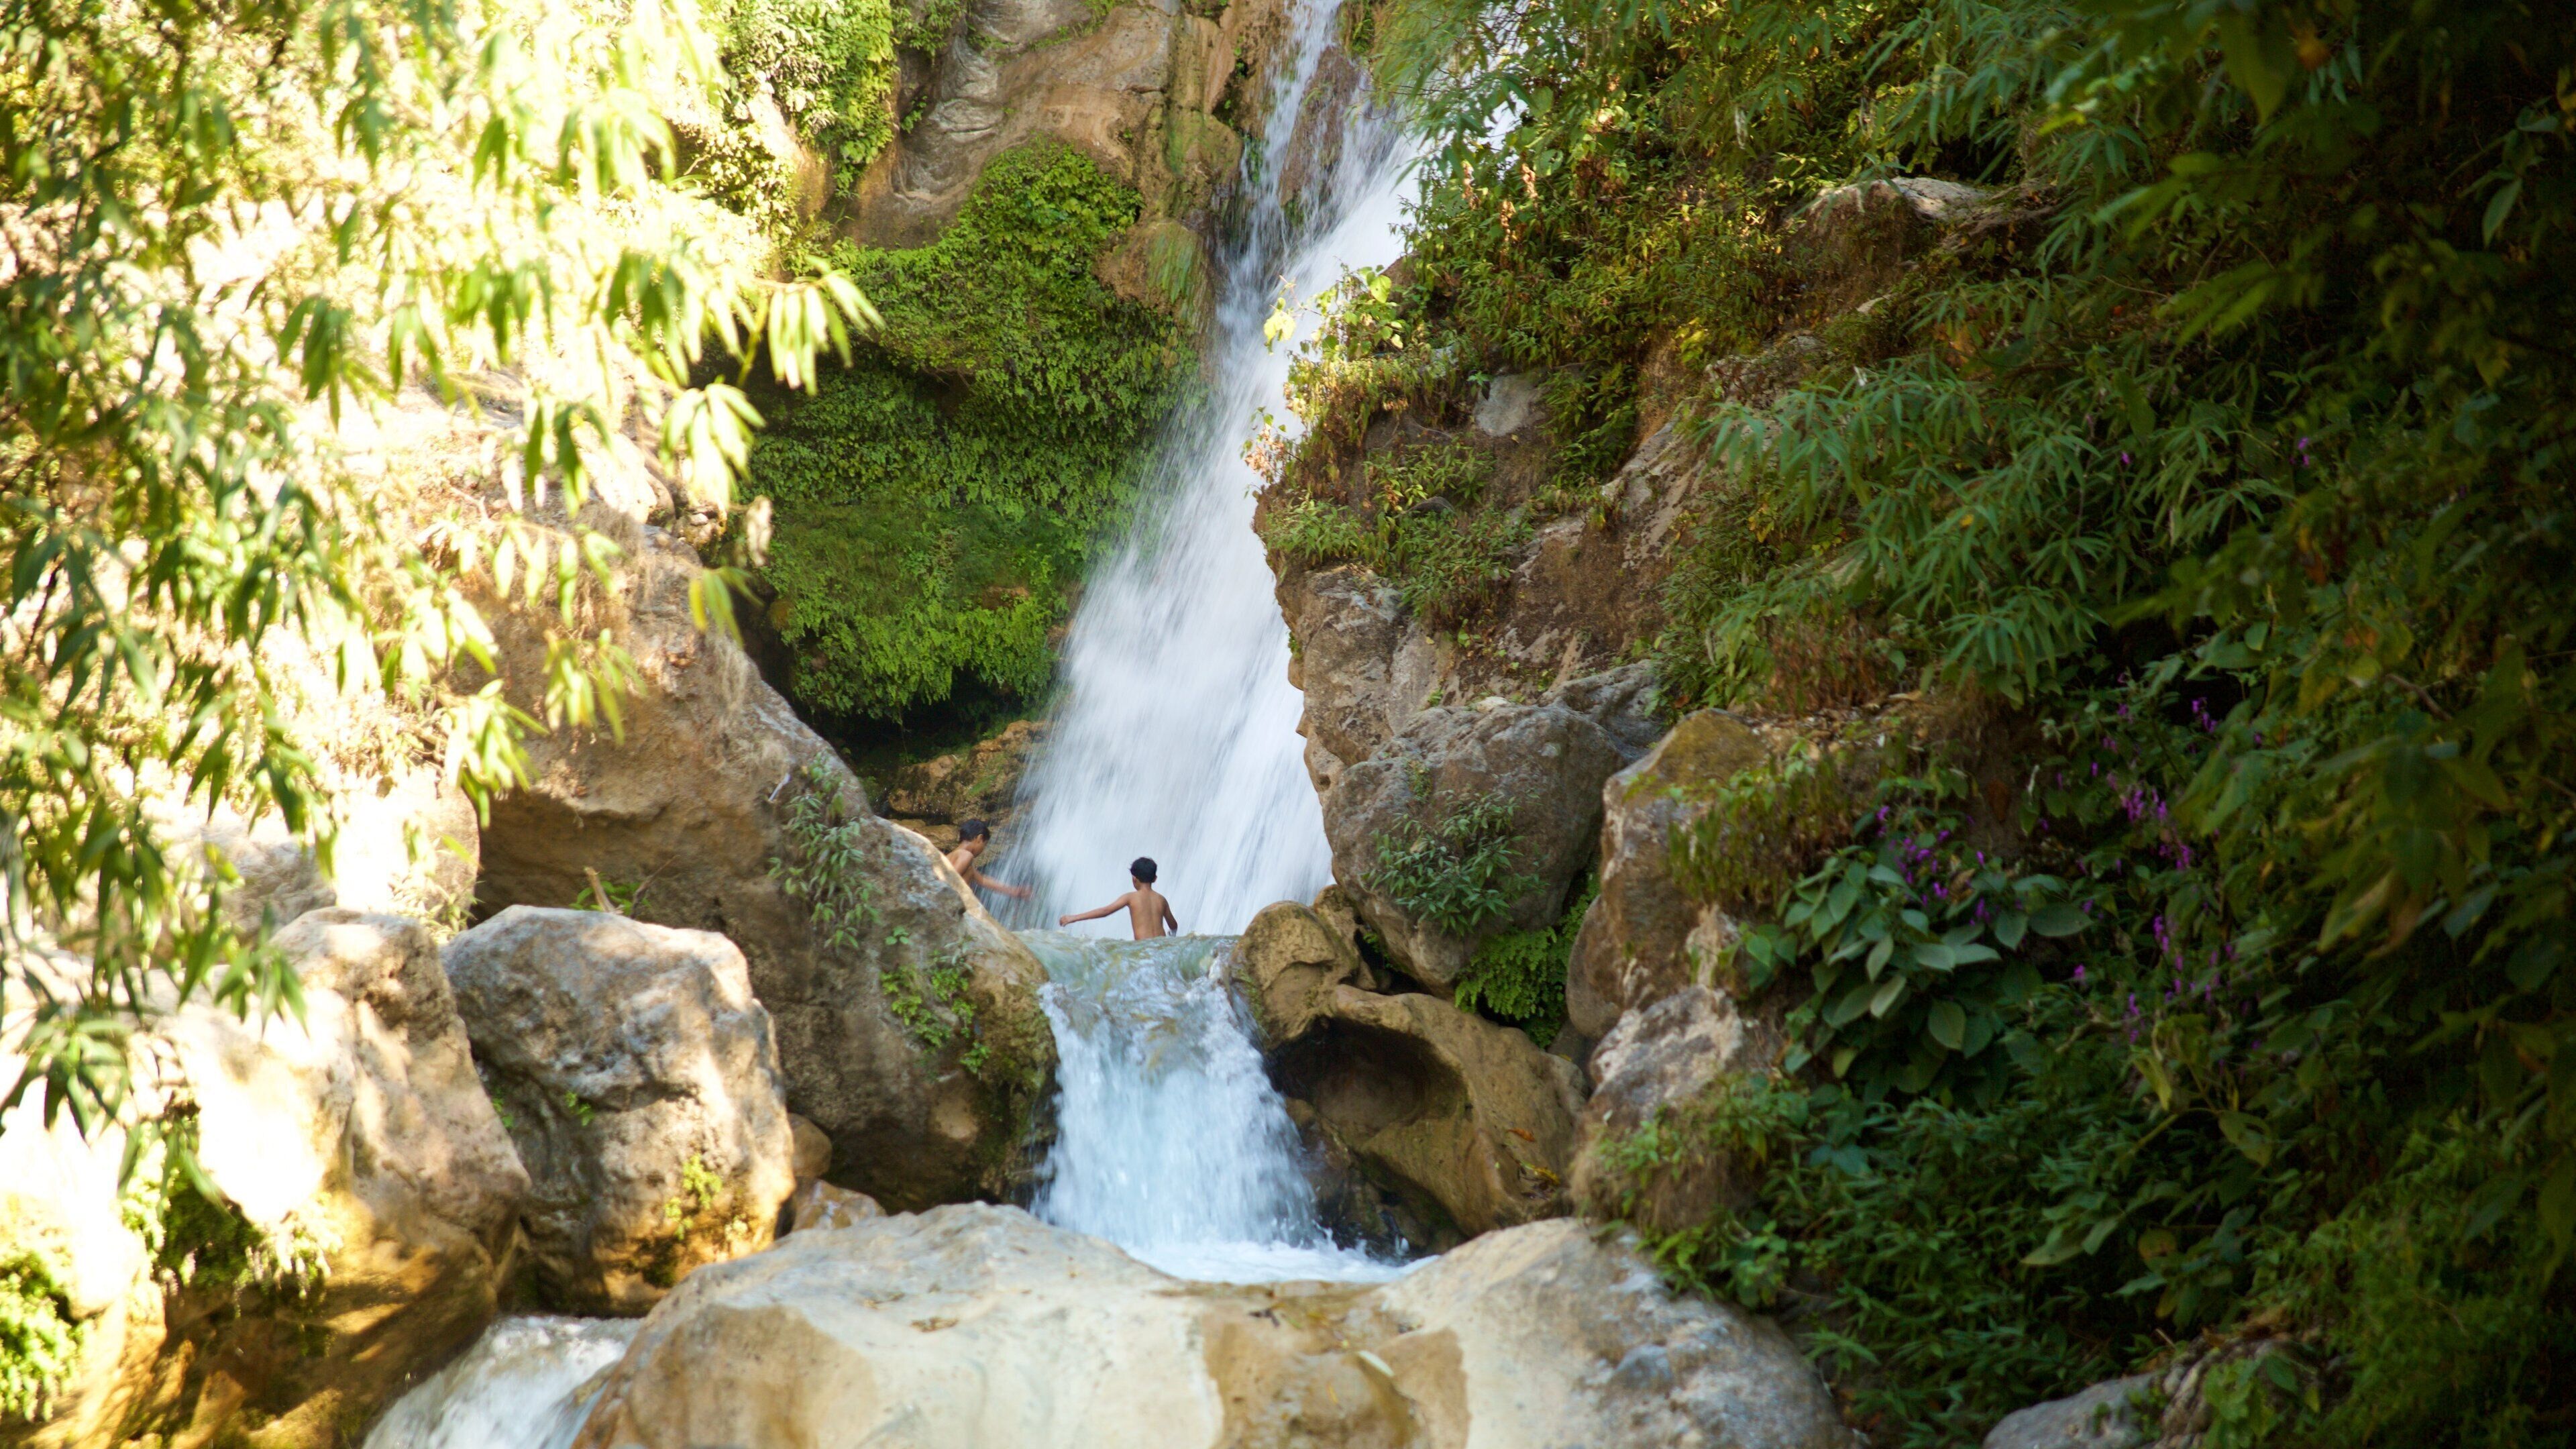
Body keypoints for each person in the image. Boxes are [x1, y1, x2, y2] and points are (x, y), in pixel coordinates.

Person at [1058, 857, 1178, 940]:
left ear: (1134, 879)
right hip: (1162, 947)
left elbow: (1105, 911)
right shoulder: (1161, 900)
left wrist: (1074, 918)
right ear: (1155, 879)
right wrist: (1172, 935)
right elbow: (1173, 925)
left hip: (1145, 949)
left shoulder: (1131, 897)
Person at [944, 820, 1032, 902]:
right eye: (984, 845)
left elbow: (983, 880)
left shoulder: (953, 856)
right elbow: (949, 880)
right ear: (980, 838)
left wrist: (1014, 891)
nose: (983, 849)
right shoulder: (966, 855)